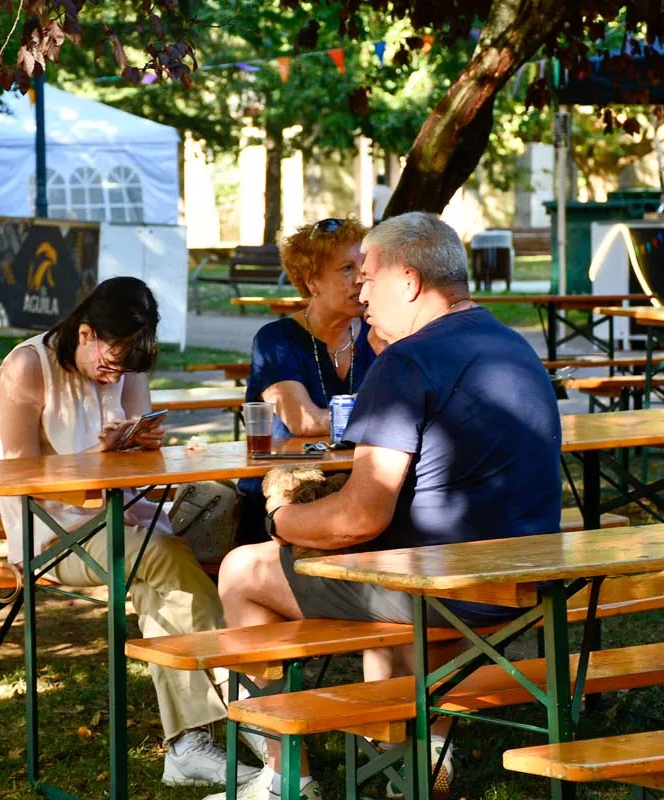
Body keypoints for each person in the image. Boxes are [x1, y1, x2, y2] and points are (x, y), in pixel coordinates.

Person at [210, 212, 563, 800]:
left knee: (242, 569)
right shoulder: (512, 345)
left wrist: (281, 518)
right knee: (381, 564)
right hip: (526, 584)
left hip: (451, 594)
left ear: (408, 281)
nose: (361, 291)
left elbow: (358, 518)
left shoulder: (407, 362)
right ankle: (417, 747)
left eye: (368, 276)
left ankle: (282, 776)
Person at [0, 277, 260, 789]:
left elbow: (134, 467)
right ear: (86, 332)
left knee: (166, 577)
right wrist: (101, 458)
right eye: (110, 363)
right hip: (50, 536)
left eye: (126, 370)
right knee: (161, 557)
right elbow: (18, 478)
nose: (114, 376)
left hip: (127, 522)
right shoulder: (27, 368)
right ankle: (257, 715)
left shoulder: (125, 369)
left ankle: (189, 746)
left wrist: (144, 446)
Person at [238, 217, 381, 544]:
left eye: (364, 266)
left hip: (356, 491)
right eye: (346, 268)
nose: (360, 279)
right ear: (312, 281)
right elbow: (302, 420)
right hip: (282, 496)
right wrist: (376, 419)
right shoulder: (276, 340)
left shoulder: (378, 334)